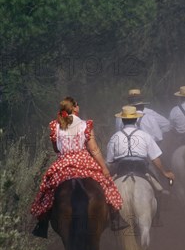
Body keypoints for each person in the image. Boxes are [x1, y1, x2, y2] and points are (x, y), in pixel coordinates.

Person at [31, 96, 123, 238]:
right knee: (106, 184)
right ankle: (115, 217)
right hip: (84, 161)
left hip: (63, 164)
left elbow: (56, 149)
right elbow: (94, 150)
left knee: (48, 189)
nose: (79, 107)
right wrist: (104, 168)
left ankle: (42, 224)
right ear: (74, 108)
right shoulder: (86, 125)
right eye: (78, 105)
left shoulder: (55, 125)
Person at [107, 105, 174, 223]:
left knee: (106, 190)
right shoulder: (145, 135)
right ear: (136, 119)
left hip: (121, 168)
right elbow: (155, 159)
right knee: (158, 189)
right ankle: (156, 217)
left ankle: (113, 218)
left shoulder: (115, 137)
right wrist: (164, 172)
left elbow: (110, 161)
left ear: (122, 120)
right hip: (141, 167)